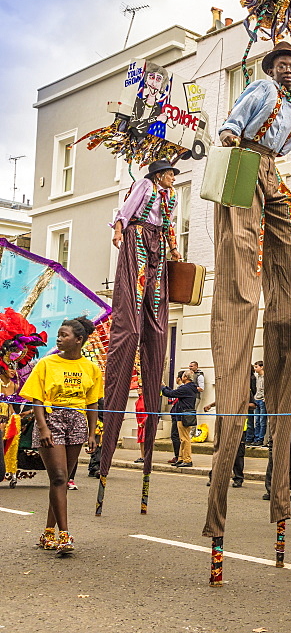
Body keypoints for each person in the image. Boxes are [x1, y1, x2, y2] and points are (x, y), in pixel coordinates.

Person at [204, 40, 291, 549]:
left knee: (288, 243)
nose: (287, 69)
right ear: (271, 68)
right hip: (245, 161)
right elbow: (236, 118)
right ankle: (246, 281)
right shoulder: (259, 88)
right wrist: (231, 137)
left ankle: (287, 295)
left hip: (275, 170)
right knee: (238, 238)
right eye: (282, 63)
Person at [99, 159, 181, 493]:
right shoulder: (145, 187)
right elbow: (127, 210)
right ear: (158, 175)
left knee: (156, 301)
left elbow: (170, 225)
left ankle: (150, 309)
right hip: (138, 234)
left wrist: (173, 247)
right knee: (133, 300)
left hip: (157, 240)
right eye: (169, 173)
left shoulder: (170, 196)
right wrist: (119, 230)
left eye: (174, 174)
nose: (172, 177)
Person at [20, 316, 102, 556]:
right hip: (51, 418)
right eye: (58, 334)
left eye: (64, 335)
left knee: (62, 479)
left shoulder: (91, 368)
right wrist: (43, 427)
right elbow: (36, 397)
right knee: (57, 476)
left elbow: (93, 402)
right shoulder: (46, 363)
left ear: (79, 340)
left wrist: (92, 432)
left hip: (76, 421)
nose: (58, 338)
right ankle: (64, 535)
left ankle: (48, 532)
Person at [161, 370, 197, 468]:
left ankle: (187, 459)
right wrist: (165, 387)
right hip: (185, 414)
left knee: (185, 439)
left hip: (183, 415)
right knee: (182, 438)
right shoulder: (191, 387)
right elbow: (174, 392)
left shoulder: (186, 388)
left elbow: (170, 394)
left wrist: (163, 387)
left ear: (185, 377)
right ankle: (181, 458)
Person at [252, 361, 267, 446]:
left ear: (261, 367)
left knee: (262, 420)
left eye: (256, 367)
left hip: (262, 400)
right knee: (256, 420)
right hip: (256, 399)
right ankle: (256, 438)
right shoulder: (257, 377)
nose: (255, 368)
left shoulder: (265, 377)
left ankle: (260, 439)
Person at [134, 388, 147, 464]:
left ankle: (145, 456)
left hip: (144, 422)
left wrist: (143, 422)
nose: (138, 390)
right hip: (139, 422)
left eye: (140, 389)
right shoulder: (138, 401)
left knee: (145, 439)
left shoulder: (145, 400)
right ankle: (142, 456)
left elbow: (147, 412)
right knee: (141, 440)